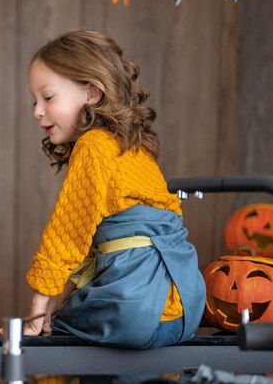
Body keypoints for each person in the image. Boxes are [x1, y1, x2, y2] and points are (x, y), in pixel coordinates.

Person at [22, 29, 205, 349]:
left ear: (92, 92)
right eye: (35, 101)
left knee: (53, 337)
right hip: (186, 309)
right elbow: (91, 253)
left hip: (135, 310)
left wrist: (37, 313)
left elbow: (66, 236)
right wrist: (55, 301)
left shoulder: (93, 145)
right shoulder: (135, 149)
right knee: (66, 312)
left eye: (48, 97)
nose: (38, 110)